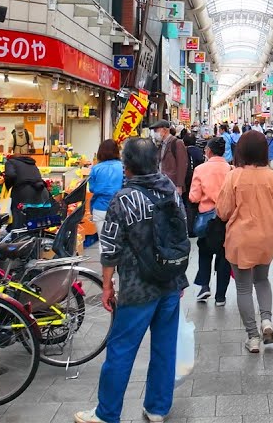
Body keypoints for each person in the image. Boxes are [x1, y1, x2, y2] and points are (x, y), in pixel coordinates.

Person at [77, 138, 188, 423]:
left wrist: (106, 285)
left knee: (121, 350)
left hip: (138, 289)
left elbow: (110, 248)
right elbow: (180, 237)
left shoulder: (123, 199)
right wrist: (180, 277)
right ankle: (157, 408)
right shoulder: (171, 193)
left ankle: (107, 413)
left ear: (127, 166)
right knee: (165, 348)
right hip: (170, 283)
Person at [215, 130, 273, 353]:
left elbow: (223, 211)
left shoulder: (234, 176)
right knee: (262, 280)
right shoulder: (271, 177)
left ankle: (253, 337)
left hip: (240, 240)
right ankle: (267, 321)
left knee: (242, 288)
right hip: (267, 238)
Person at [189, 136, 232, 305]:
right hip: (226, 218)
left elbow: (194, 196)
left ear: (209, 151)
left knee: (205, 252)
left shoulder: (200, 169)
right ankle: (220, 296)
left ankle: (204, 286)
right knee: (224, 255)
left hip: (206, 218)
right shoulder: (230, 169)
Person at [87, 139, 124, 236]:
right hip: (120, 208)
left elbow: (92, 188)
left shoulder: (96, 168)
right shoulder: (123, 167)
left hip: (100, 207)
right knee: (119, 242)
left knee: (104, 243)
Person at [151, 121, 189, 197]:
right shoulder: (160, 144)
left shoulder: (177, 143)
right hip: (161, 182)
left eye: (156, 131)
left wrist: (179, 185)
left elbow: (182, 165)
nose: (155, 134)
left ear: (165, 130)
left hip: (173, 183)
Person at [183, 130, 205, 238]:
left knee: (189, 204)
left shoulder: (183, 151)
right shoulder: (199, 151)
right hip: (199, 180)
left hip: (187, 180)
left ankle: (189, 228)